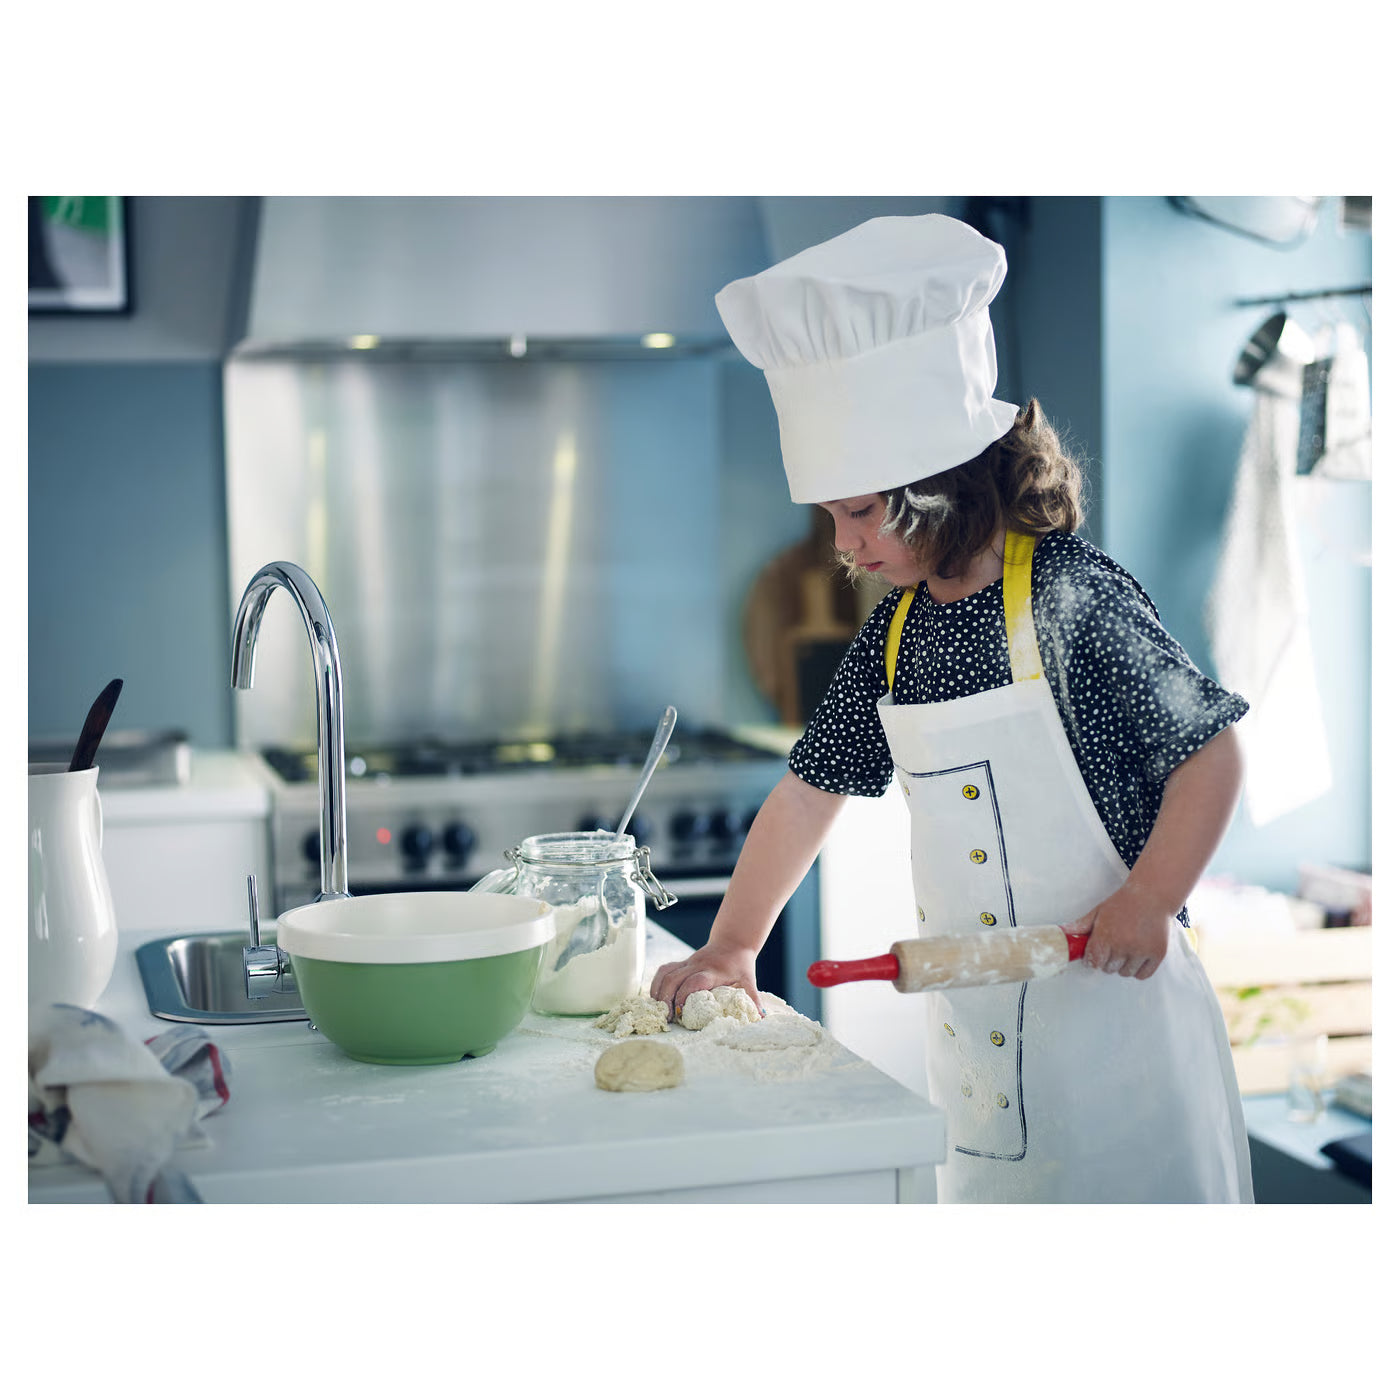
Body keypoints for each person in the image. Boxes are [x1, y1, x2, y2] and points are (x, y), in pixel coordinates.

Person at [650, 213, 1254, 1204]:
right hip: (981, 1069)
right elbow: (805, 796)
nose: (841, 544)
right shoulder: (893, 638)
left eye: (857, 511)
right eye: (830, 516)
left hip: (1122, 1044)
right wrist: (732, 944)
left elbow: (1210, 753)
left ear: (941, 484)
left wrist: (1146, 899)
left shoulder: (1068, 595)